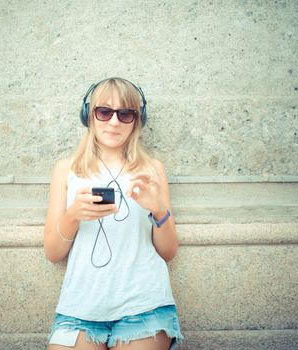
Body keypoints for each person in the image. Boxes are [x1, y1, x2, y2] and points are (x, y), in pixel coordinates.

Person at [44, 77, 183, 350]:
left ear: (137, 119)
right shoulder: (66, 169)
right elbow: (52, 253)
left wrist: (158, 210)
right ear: (89, 115)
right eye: (104, 112)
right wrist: (72, 216)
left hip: (146, 305)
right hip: (80, 307)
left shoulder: (152, 169)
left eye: (125, 114)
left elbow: (168, 251)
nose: (114, 122)